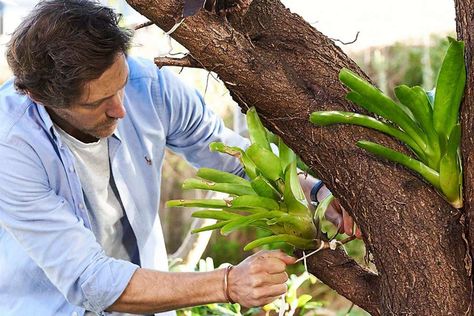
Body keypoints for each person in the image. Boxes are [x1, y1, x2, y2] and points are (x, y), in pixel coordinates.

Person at [0, 1, 357, 315]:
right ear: (38, 96)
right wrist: (227, 284)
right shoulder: (11, 146)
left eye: (120, 85)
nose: (120, 110)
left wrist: (317, 193)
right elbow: (90, 280)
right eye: (96, 103)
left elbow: (232, 156)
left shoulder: (150, 87)